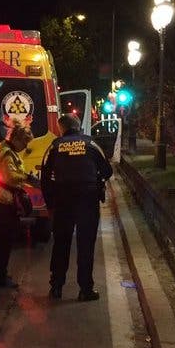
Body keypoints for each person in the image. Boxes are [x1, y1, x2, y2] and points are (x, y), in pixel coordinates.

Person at [39, 113, 113, 301]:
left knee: (61, 243)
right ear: (79, 126)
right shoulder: (91, 144)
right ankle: (85, 289)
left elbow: (45, 178)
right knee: (85, 244)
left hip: (63, 200)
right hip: (88, 199)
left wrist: (50, 204)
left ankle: (56, 287)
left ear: (61, 128)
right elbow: (107, 170)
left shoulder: (54, 146)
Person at [0, 123, 32, 289]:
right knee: (5, 241)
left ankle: (0, 275)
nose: (25, 147)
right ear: (18, 139)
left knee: (5, 240)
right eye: (25, 143)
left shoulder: (7, 149)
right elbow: (11, 176)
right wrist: (26, 178)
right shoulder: (7, 153)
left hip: (1, 199)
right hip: (3, 200)